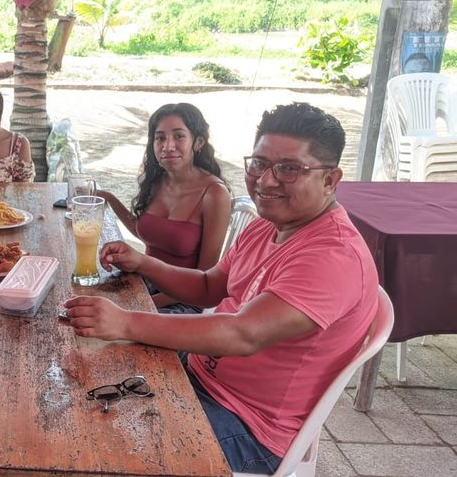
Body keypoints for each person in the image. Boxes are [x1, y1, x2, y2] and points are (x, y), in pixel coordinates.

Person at [64, 103, 379, 474]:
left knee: (94, 448)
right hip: (200, 375)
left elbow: (242, 334)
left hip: (248, 426)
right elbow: (210, 286)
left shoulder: (333, 256)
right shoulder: (268, 225)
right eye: (259, 163)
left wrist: (125, 322)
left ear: (330, 179)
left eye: (289, 169)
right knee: (76, 378)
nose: (265, 181)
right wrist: (144, 263)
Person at [96, 103, 231, 311]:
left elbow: (205, 280)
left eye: (179, 136)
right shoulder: (157, 181)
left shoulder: (214, 194)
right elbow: (146, 232)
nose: (168, 146)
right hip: (144, 283)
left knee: (104, 322)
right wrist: (109, 198)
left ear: (198, 142)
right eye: (160, 138)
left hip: (183, 299)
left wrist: (141, 304)